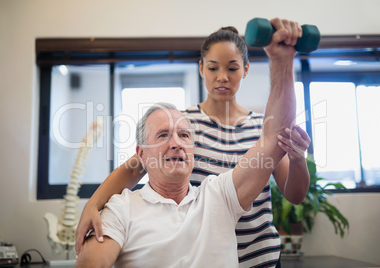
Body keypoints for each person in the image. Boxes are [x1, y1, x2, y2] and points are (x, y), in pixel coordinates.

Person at [76, 18, 311, 267]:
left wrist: (297, 159)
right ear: (201, 69)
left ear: (246, 69)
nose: (222, 77)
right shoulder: (182, 126)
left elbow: (295, 194)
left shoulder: (262, 126)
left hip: (259, 256)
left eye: (232, 68)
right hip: (203, 253)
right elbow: (135, 167)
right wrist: (92, 205)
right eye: (213, 68)